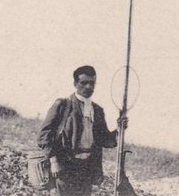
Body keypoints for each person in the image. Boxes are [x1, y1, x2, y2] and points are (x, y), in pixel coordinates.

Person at [38, 65, 127, 195]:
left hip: (87, 169)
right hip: (64, 166)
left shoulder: (97, 110)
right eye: (83, 83)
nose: (88, 87)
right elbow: (43, 136)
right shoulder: (62, 105)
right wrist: (53, 161)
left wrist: (119, 129)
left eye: (91, 83)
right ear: (75, 83)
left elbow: (105, 140)